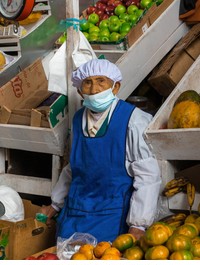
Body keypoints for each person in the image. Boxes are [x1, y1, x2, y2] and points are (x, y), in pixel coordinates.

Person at [42, 58, 161, 242]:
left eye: (101, 81)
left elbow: (147, 175)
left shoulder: (133, 120)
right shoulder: (78, 119)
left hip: (112, 216)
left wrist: (138, 224)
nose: (94, 89)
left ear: (115, 87)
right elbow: (73, 167)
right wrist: (55, 204)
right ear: (80, 90)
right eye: (87, 83)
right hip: (75, 212)